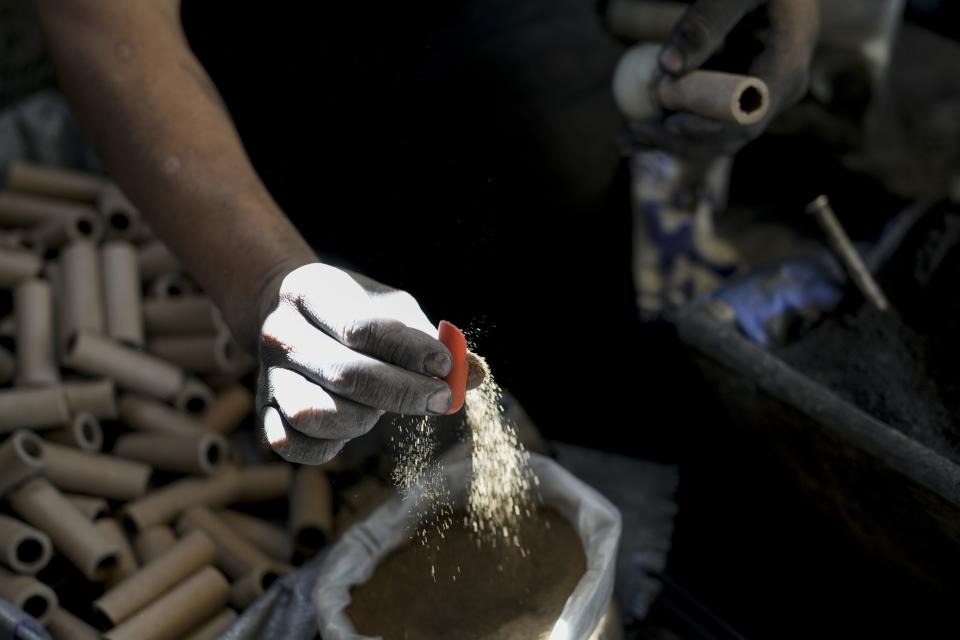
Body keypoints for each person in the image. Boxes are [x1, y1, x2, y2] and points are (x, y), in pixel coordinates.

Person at [29, 0, 819, 463]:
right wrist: (268, 277)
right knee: (386, 375)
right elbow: (102, 22)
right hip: (290, 43)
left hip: (508, 24)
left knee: (581, 318)